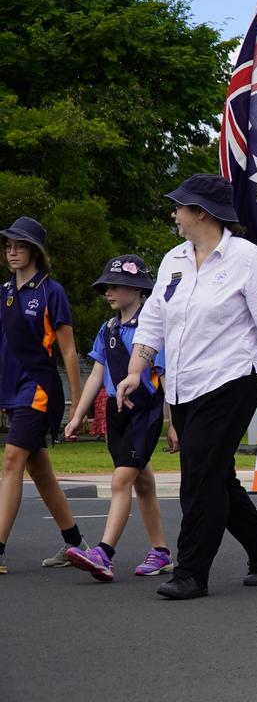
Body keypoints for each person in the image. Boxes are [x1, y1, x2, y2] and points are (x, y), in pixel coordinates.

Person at [119, 174, 257, 599]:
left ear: (201, 213)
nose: (174, 214)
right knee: (214, 474)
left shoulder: (246, 258)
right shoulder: (173, 260)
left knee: (198, 475)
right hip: (185, 383)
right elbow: (154, 321)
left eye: (180, 207)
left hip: (234, 377)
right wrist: (136, 371)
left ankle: (191, 572)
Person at [63, 255, 175, 581]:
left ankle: (104, 553)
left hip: (145, 410)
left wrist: (174, 422)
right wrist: (77, 414)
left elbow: (164, 377)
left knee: (121, 480)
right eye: (106, 287)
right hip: (117, 411)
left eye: (115, 285)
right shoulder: (107, 329)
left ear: (137, 289)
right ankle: (161, 552)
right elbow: (97, 375)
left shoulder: (152, 329)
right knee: (142, 480)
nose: (108, 292)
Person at [0, 216, 85, 576]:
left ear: (35, 250)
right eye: (8, 245)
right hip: (10, 389)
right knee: (39, 469)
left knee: (11, 460)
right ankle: (77, 544)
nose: (12, 251)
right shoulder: (3, 292)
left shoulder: (52, 292)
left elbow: (68, 352)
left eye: (19, 245)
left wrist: (78, 405)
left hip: (37, 389)